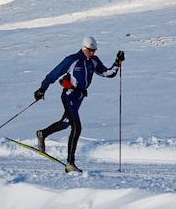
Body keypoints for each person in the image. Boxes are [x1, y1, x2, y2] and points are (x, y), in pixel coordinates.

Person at [34, 37, 123, 173]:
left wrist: (117, 62)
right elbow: (54, 74)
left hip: (80, 97)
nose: (92, 53)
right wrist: (42, 88)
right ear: (84, 48)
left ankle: (42, 133)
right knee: (77, 127)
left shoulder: (94, 61)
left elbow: (107, 73)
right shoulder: (72, 60)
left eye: (94, 51)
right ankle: (70, 163)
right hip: (69, 95)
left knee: (65, 123)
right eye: (90, 50)